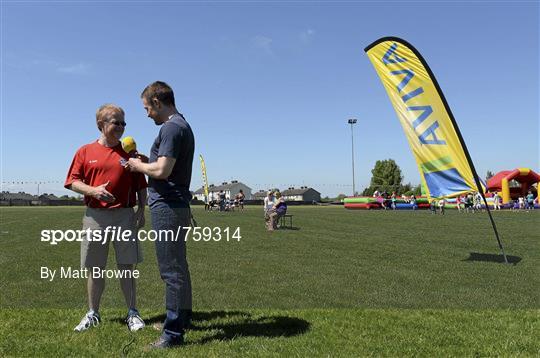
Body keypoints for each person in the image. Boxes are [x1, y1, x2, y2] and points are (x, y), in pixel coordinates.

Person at [65, 104, 147, 333]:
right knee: (95, 268)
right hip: (95, 217)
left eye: (123, 123)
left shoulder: (130, 155)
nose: (120, 127)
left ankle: (132, 313)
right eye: (115, 122)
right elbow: (72, 181)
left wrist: (141, 210)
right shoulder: (84, 151)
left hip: (124, 216)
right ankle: (93, 313)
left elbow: (141, 185)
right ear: (101, 124)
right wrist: (93, 191)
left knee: (126, 267)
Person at [125, 81, 194, 349]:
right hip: (176, 205)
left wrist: (137, 165)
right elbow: (166, 165)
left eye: (147, 108)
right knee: (180, 267)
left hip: (167, 205)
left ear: (157, 101)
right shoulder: (180, 125)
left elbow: (163, 171)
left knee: (171, 271)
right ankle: (182, 319)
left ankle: (172, 335)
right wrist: (146, 160)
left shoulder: (171, 128)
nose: (147, 114)